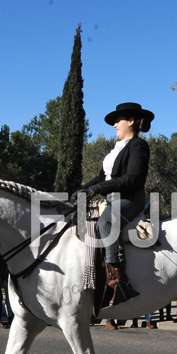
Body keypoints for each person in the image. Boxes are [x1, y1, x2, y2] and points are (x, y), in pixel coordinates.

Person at [73, 102, 153, 309]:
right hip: (111, 199)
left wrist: (98, 189)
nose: (115, 125)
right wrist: (83, 189)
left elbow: (133, 179)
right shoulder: (115, 149)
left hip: (129, 199)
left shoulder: (138, 146)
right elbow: (101, 177)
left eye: (118, 120)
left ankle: (120, 282)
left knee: (106, 223)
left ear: (131, 121)